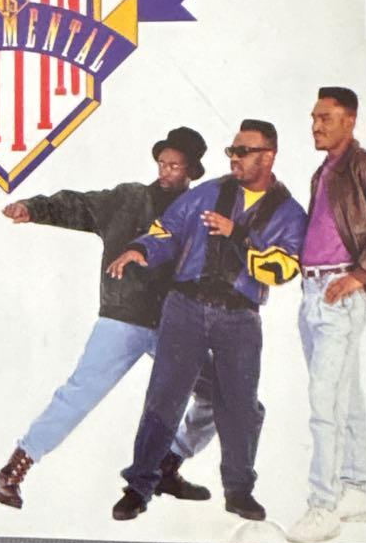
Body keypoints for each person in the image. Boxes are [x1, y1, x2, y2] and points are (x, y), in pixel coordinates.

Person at [0, 127, 222, 509]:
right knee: (78, 394)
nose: (165, 171)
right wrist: (33, 208)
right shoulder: (129, 198)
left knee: (221, 390)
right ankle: (11, 473)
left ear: (192, 170)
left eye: (175, 166)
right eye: (162, 163)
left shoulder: (201, 211)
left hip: (176, 325)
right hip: (123, 318)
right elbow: (79, 205)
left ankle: (168, 464)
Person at [108, 120, 307, 522]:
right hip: (185, 306)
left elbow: (282, 269)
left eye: (243, 151)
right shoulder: (208, 192)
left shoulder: (289, 212)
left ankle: (239, 491)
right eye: (232, 151)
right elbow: (168, 229)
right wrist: (141, 250)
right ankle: (139, 486)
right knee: (164, 397)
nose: (234, 158)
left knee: (240, 405)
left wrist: (238, 235)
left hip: (240, 317)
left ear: (269, 156)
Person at [286, 87, 366, 543]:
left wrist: (362, 273)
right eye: (313, 118)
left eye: (325, 118)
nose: (316, 126)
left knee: (325, 401)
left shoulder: (365, 165)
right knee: (344, 393)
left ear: (350, 120)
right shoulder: (323, 171)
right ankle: (355, 489)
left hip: (340, 290)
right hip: (313, 291)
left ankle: (322, 506)